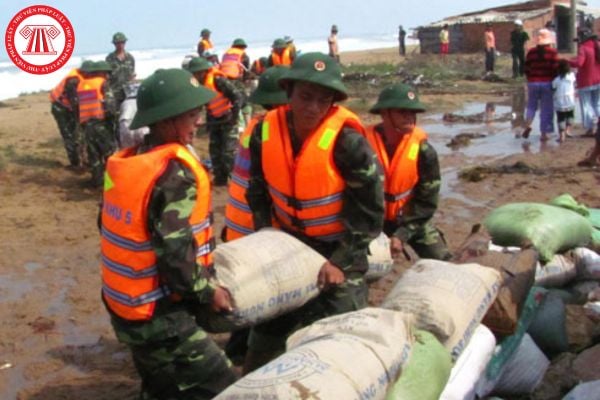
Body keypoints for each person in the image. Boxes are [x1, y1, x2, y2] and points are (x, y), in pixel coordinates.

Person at [100, 68, 237, 399]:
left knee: (162, 384)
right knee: (222, 385)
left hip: (125, 305)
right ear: (165, 120)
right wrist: (208, 293)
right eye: (192, 115)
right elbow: (175, 255)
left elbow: (106, 223)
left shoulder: (128, 162)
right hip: (157, 317)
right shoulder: (173, 173)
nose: (199, 122)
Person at [243, 52, 384, 372]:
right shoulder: (263, 131)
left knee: (343, 332)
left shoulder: (348, 142)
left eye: (324, 100)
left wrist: (342, 261)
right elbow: (256, 187)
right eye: (305, 97)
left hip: (340, 246)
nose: (313, 108)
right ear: (288, 93)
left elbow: (370, 211)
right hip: (288, 242)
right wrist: (266, 233)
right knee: (266, 334)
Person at [221, 66, 289, 366]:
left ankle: (236, 347)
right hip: (252, 227)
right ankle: (245, 351)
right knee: (265, 295)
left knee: (245, 292)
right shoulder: (272, 132)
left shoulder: (255, 127)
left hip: (236, 225)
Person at [365, 83, 452, 261]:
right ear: (384, 113)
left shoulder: (424, 151)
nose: (410, 117)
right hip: (369, 221)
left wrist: (402, 234)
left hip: (408, 219)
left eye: (412, 112)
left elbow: (426, 202)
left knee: (442, 260)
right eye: (402, 111)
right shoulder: (361, 146)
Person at [186, 57, 245, 186]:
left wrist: (234, 117)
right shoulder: (198, 85)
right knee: (215, 151)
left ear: (203, 71)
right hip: (214, 121)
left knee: (228, 153)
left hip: (228, 119)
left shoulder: (218, 80)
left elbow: (237, 96)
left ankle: (237, 181)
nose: (195, 76)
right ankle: (220, 179)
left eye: (197, 73)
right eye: (193, 73)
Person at [76, 60, 117, 187]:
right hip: (101, 124)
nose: (107, 76)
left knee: (94, 155)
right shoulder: (103, 83)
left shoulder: (81, 85)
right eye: (106, 73)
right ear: (101, 72)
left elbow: (78, 106)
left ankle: (97, 181)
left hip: (87, 125)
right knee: (108, 154)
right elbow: (110, 106)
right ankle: (111, 184)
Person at [521, 28, 558, 141]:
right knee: (546, 109)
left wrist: (530, 79)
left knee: (531, 106)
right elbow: (555, 69)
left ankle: (528, 125)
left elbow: (526, 68)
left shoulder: (531, 52)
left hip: (533, 83)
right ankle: (544, 134)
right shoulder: (552, 53)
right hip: (547, 83)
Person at [570, 27, 600, 166]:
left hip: (586, 80)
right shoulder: (597, 45)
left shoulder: (583, 48)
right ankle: (597, 124)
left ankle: (591, 127)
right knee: (597, 104)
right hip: (598, 80)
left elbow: (579, 63)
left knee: (586, 105)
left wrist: (567, 61)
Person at [49, 62, 84, 168]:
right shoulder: (73, 80)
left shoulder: (82, 77)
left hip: (67, 107)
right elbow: (75, 103)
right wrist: (81, 119)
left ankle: (79, 160)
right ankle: (75, 164)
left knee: (75, 134)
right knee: (69, 135)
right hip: (60, 108)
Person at [105, 32, 136, 109]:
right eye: (117, 43)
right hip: (114, 93)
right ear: (114, 44)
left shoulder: (130, 58)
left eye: (122, 42)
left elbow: (132, 75)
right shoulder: (109, 59)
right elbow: (106, 76)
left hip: (128, 93)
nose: (120, 45)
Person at [118, 82, 150, 148]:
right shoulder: (142, 100)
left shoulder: (124, 103)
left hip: (125, 127)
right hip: (141, 128)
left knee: (129, 152)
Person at [552, 59, 576, 143]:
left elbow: (553, 90)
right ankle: (568, 130)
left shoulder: (556, 80)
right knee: (570, 116)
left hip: (560, 103)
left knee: (560, 118)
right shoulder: (572, 76)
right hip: (570, 101)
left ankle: (562, 136)